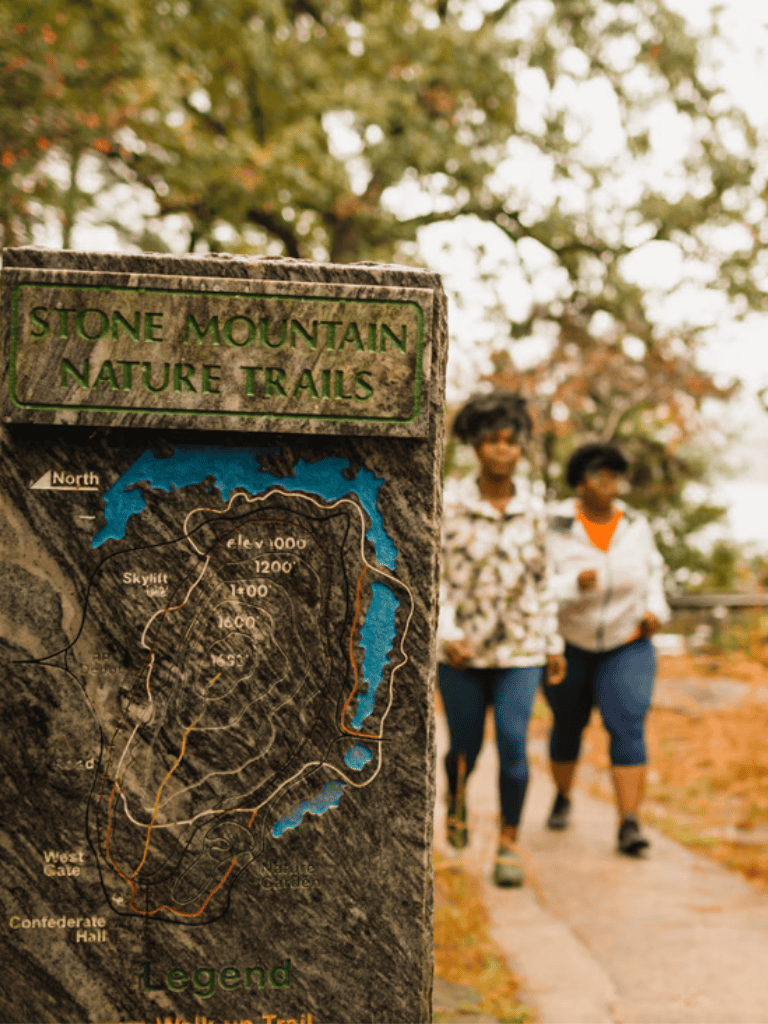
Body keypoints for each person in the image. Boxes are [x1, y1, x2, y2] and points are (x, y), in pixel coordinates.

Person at [438, 389, 566, 887]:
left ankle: (509, 843)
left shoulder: (535, 510)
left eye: (511, 441)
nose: (501, 450)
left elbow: (542, 578)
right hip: (462, 653)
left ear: (522, 448)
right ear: (475, 446)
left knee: (514, 744)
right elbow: (435, 577)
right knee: (464, 747)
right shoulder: (449, 505)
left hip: (521, 649)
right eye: (491, 440)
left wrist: (552, 643)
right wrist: (448, 633)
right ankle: (456, 798)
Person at [544, 442, 670, 855]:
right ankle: (563, 796)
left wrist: (655, 610)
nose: (612, 484)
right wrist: (571, 586)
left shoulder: (636, 524)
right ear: (580, 482)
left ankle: (629, 823)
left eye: (617, 476)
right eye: (602, 475)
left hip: (627, 642)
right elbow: (533, 586)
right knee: (568, 725)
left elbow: (653, 574)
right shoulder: (554, 525)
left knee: (628, 724)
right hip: (570, 645)